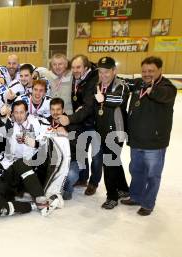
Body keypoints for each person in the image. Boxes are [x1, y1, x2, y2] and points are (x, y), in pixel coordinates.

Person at [121, 56, 177, 216]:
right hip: (137, 140)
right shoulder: (139, 83)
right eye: (144, 71)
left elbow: (164, 95)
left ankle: (148, 203)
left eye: (151, 71)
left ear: (160, 70)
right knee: (136, 171)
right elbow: (121, 80)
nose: (147, 74)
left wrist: (154, 91)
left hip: (154, 142)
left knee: (152, 175)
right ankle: (136, 196)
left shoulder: (167, 88)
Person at [58, 54, 102, 196]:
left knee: (96, 156)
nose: (75, 70)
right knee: (81, 151)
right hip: (81, 121)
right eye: (74, 67)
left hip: (94, 123)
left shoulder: (94, 80)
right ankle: (83, 178)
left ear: (86, 67)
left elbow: (89, 107)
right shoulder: (76, 78)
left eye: (79, 67)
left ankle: (93, 183)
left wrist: (70, 119)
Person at [92, 57, 130, 209]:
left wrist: (103, 97)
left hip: (115, 132)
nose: (103, 75)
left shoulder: (121, 85)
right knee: (114, 161)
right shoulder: (98, 85)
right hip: (101, 131)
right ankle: (123, 189)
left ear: (114, 71)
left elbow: (118, 100)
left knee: (109, 163)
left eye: (106, 72)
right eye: (100, 72)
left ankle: (112, 196)